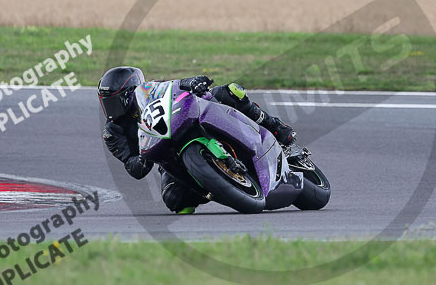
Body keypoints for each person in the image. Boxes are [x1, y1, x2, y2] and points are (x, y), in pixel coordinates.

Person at [98, 66, 296, 214]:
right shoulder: (112, 133)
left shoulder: (149, 91)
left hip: (188, 120)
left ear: (131, 93)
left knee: (230, 91)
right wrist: (144, 157)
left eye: (114, 100)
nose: (110, 108)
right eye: (106, 102)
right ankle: (216, 186)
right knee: (174, 200)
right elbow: (133, 168)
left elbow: (172, 86)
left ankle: (275, 127)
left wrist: (191, 82)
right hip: (168, 156)